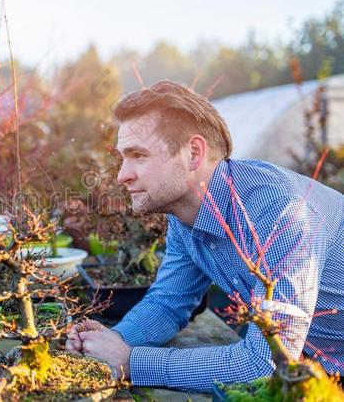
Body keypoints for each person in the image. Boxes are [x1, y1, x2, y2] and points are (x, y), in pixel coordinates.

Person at [66, 80, 344, 392]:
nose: (122, 175)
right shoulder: (187, 216)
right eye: (123, 157)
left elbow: (264, 364)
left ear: (194, 153)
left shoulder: (280, 212)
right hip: (312, 367)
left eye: (138, 155)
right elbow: (168, 304)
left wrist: (130, 361)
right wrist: (112, 339)